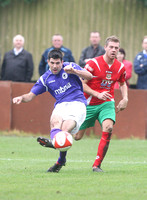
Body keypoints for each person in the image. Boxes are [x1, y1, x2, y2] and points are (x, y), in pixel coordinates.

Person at [13, 49, 92, 173]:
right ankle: (57, 146)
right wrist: (21, 98)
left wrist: (75, 71)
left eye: (57, 63)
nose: (55, 66)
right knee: (55, 121)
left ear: (62, 62)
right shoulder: (46, 78)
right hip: (61, 104)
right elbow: (29, 96)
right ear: (48, 62)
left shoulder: (70, 66)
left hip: (77, 103)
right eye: (52, 63)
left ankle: (59, 158)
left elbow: (89, 76)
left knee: (65, 129)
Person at [74, 36, 128, 172]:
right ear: (105, 48)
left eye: (116, 48)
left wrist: (125, 98)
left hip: (107, 103)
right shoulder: (93, 64)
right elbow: (81, 83)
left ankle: (96, 165)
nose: (114, 50)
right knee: (77, 137)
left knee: (108, 127)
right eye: (111, 47)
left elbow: (122, 83)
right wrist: (97, 94)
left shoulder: (120, 67)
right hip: (89, 104)